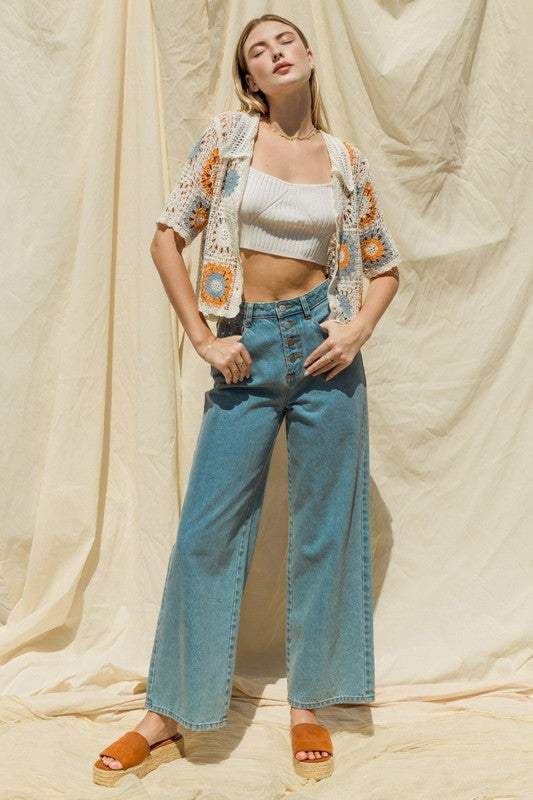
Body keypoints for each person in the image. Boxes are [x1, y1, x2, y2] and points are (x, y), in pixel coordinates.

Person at [94, 12, 401, 786]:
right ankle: (163, 713)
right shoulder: (227, 143)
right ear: (251, 80)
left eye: (284, 42)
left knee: (325, 532)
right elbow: (168, 237)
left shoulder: (344, 161)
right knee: (207, 532)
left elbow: (384, 264)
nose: (274, 53)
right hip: (246, 349)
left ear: (306, 59)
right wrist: (204, 336)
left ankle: (312, 703)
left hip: (325, 353)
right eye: (257, 51)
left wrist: (357, 328)